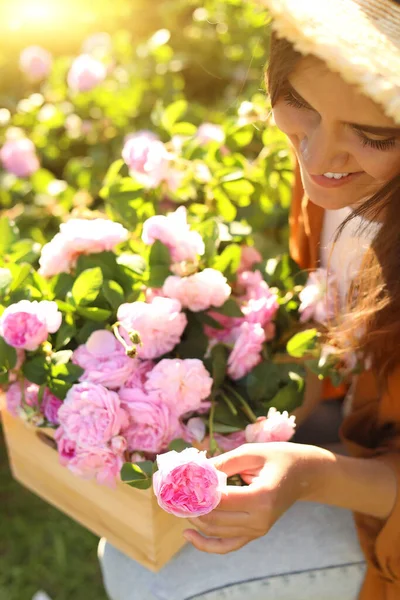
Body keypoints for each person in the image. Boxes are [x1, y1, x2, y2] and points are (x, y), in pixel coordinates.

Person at [99, 1, 400, 599]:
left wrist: (311, 478)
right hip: (355, 420)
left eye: (372, 136)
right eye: (301, 110)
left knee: (155, 580)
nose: (314, 160)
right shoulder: (338, 171)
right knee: (131, 538)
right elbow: (335, 329)